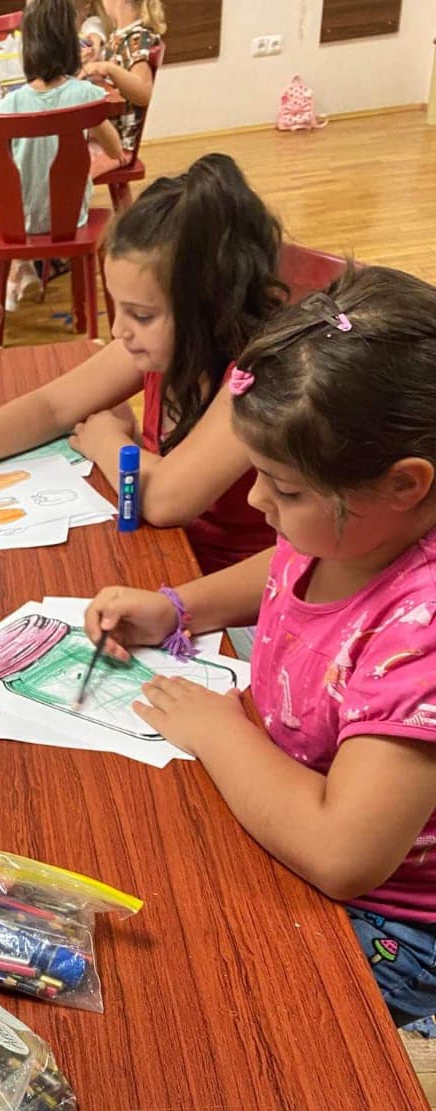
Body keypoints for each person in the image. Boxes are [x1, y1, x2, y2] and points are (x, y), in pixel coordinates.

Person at [83, 266, 436, 1025]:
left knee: (202, 1010)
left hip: (392, 926)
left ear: (405, 485)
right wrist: (178, 607)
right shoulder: (352, 532)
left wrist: (218, 731)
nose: (254, 499)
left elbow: (342, 854)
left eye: (286, 488)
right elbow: (289, 565)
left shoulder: (423, 634)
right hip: (285, 792)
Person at [0, 153, 286, 573]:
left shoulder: (260, 377)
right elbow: (53, 406)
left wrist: (107, 441)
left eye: (141, 315)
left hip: (236, 591)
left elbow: (164, 500)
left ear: (209, 308)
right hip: (164, 554)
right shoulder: (164, 345)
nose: (118, 330)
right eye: (118, 307)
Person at [0, 0, 121, 312]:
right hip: (71, 220)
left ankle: (20, 270)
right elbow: (115, 150)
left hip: (19, 224)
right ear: (70, 45)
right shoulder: (86, 95)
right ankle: (31, 276)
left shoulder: (12, 102)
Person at [81, 0, 164, 161]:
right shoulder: (120, 35)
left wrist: (108, 68)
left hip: (117, 144)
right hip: (107, 136)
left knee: (63, 162)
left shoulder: (137, 38)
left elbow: (144, 92)